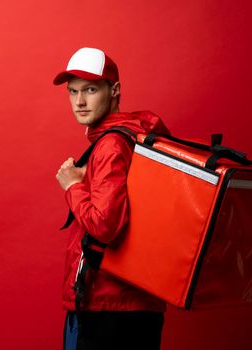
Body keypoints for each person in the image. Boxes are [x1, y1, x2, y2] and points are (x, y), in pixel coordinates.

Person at [54, 47, 170, 350]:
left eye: (90, 90)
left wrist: (72, 187)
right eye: (73, 92)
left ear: (114, 90)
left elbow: (105, 225)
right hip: (135, 304)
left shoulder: (111, 145)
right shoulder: (132, 137)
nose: (79, 102)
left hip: (107, 307)